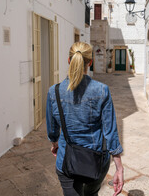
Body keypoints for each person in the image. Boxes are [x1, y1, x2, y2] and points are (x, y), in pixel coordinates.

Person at [46, 42, 124, 196]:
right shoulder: (102, 90)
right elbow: (110, 132)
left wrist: (55, 143)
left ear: (69, 61)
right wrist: (119, 168)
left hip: (66, 160)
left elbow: (52, 129)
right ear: (90, 62)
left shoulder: (53, 92)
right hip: (96, 161)